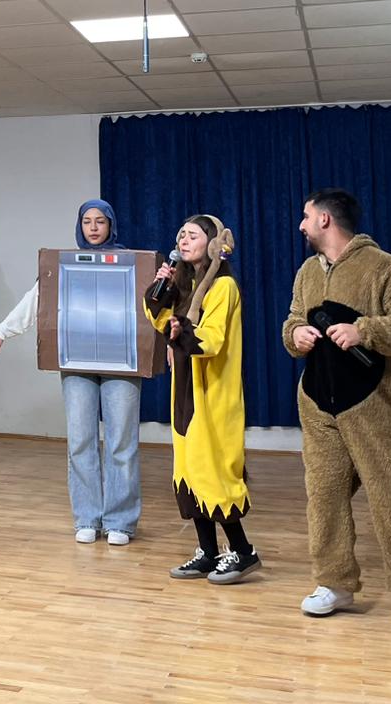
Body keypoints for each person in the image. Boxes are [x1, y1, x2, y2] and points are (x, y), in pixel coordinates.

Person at [282, 188, 391, 629]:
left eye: (306, 216)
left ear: (326, 220)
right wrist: (295, 335)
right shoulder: (306, 273)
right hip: (319, 405)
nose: (301, 225)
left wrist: (364, 331)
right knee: (324, 497)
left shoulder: (386, 268)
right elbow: (293, 319)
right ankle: (333, 582)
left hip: (376, 406)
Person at [0, 199, 141, 546]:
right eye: (87, 221)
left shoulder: (130, 262)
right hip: (77, 362)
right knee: (81, 440)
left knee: (121, 442)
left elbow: (150, 309)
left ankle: (120, 521)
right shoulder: (65, 264)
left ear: (111, 224)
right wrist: (2, 331)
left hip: (122, 363)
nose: (94, 227)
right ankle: (87, 517)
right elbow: (36, 298)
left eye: (100, 221)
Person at [148, 214, 261, 583]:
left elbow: (210, 340)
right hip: (185, 392)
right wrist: (163, 290)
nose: (184, 240)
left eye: (193, 235)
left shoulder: (223, 287)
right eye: (181, 234)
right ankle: (208, 551)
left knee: (214, 473)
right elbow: (160, 320)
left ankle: (243, 552)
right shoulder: (186, 283)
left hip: (212, 395)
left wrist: (180, 332)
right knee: (188, 471)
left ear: (213, 244)